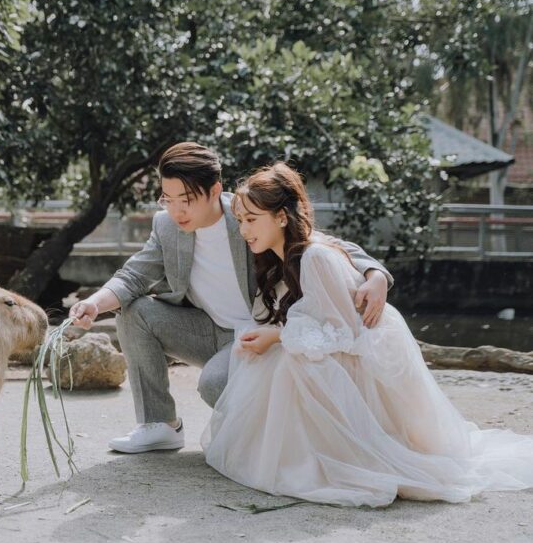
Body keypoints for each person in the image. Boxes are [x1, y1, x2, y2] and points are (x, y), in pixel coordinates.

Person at [202, 162, 533, 506]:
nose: (243, 230)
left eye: (252, 219)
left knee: (290, 365)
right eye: (240, 220)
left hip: (361, 354)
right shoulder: (278, 255)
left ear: (282, 217)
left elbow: (339, 335)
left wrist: (275, 335)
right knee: (274, 361)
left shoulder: (314, 256)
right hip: (346, 345)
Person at [68, 142, 392, 453]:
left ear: (214, 190)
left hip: (260, 333)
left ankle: (275, 432)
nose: (176, 210)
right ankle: (160, 425)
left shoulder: (245, 212)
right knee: (133, 310)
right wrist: (94, 304)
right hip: (207, 329)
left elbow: (314, 240)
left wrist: (374, 273)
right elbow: (134, 276)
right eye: (167, 199)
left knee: (214, 386)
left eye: (186, 199)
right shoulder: (166, 226)